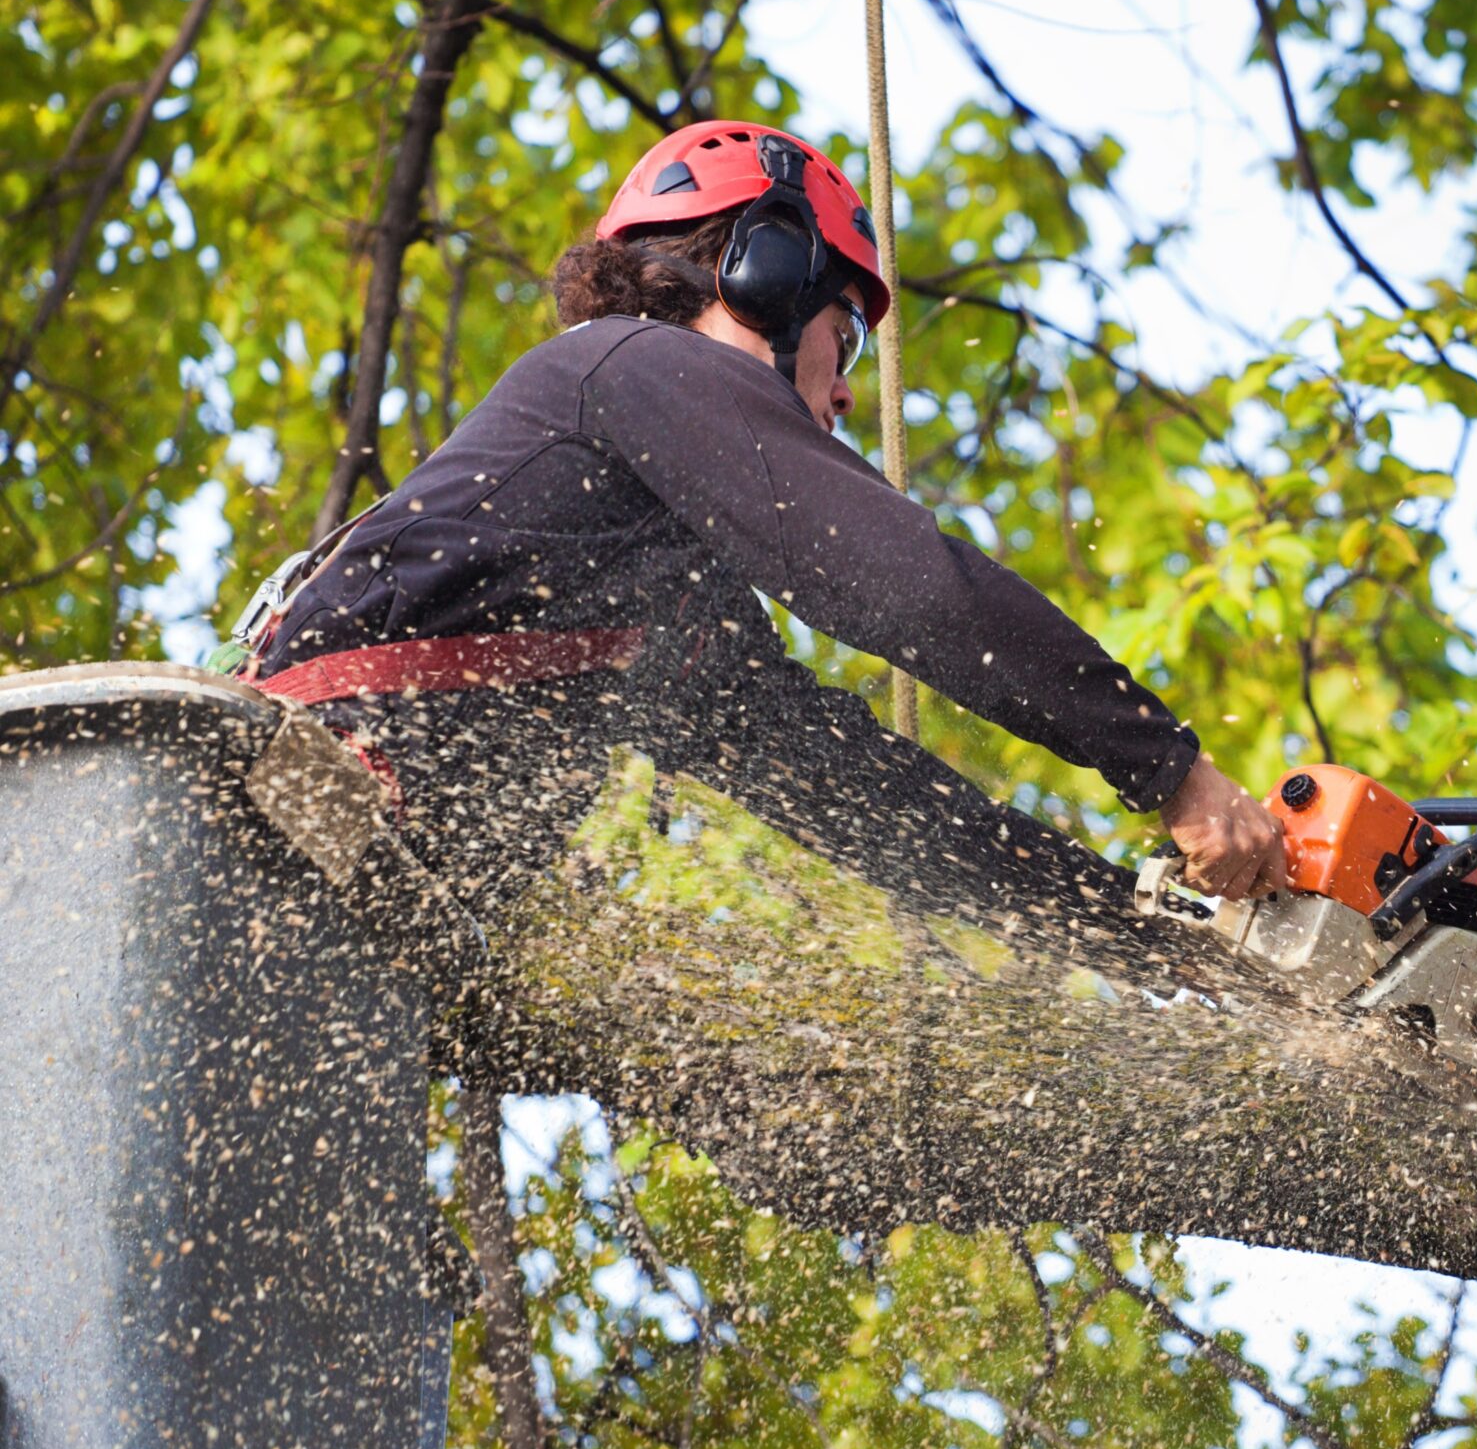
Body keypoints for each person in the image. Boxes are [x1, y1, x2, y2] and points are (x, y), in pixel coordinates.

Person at [250, 120, 1289, 915]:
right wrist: (1172, 770)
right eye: (845, 333)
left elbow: (858, 796)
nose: (845, 391)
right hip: (279, 818)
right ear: (767, 275)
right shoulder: (631, 365)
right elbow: (913, 588)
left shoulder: (665, 591)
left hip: (347, 901)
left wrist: (1138, 926)